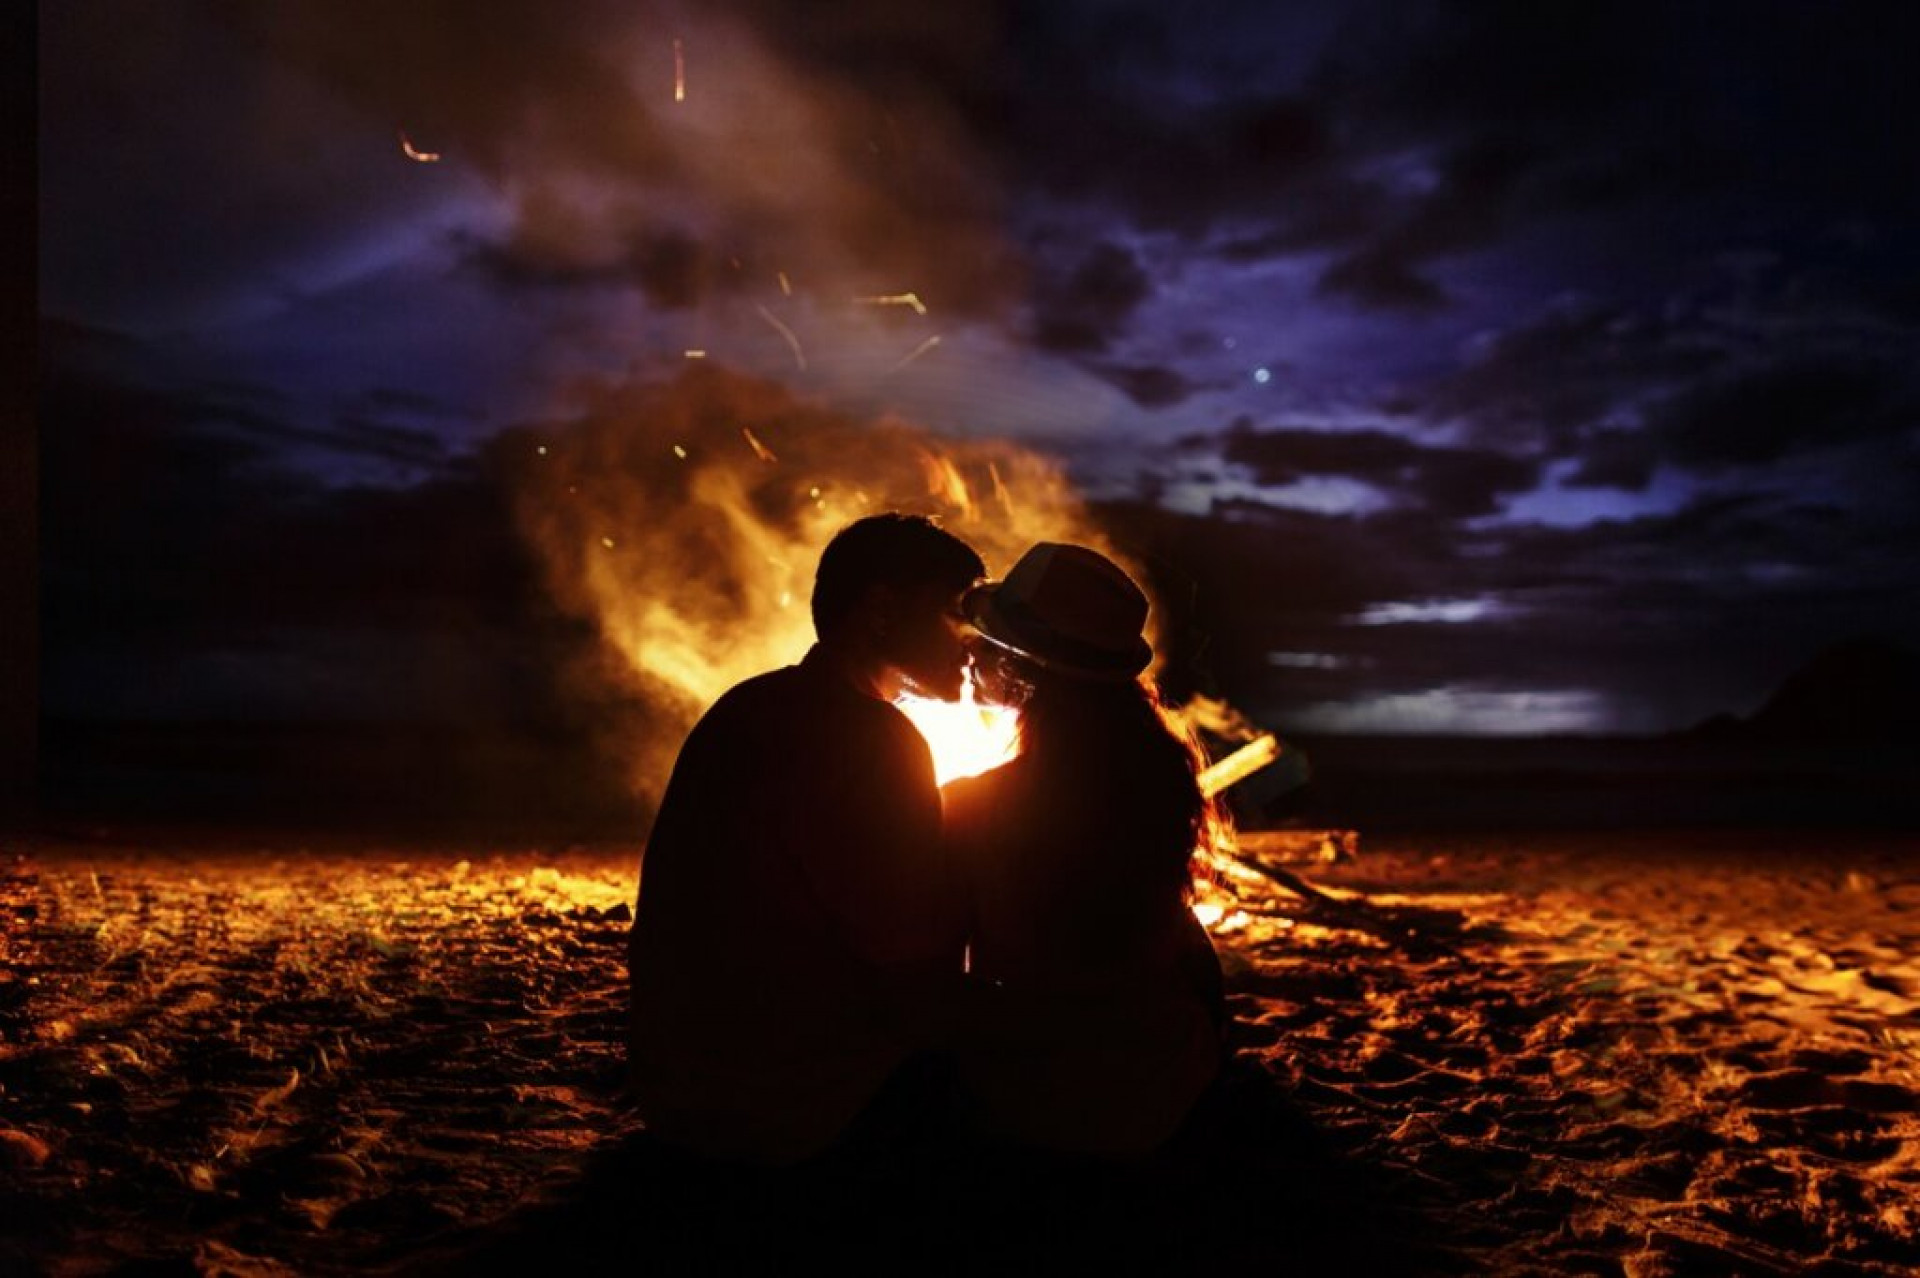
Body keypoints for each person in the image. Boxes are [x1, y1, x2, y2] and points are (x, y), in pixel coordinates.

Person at [625, 513, 984, 1165]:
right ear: (880, 612)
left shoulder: (748, 704)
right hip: (792, 1103)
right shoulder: (872, 741)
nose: (973, 646)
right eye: (957, 616)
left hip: (679, 1087)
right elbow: (913, 981)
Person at [943, 543, 1226, 1156]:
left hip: (1045, 1094)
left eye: (991, 641)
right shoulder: (1161, 782)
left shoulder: (974, 805)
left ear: (1026, 668)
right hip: (1167, 1078)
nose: (971, 652)